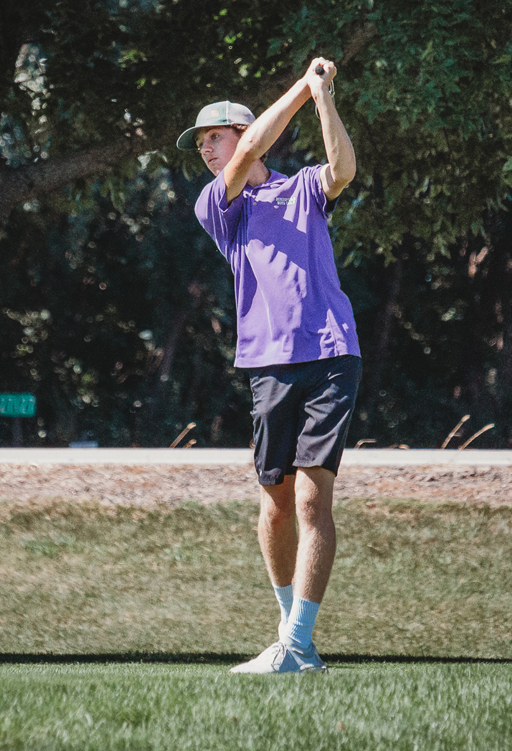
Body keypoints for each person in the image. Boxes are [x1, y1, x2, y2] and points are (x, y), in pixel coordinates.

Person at [177, 58, 361, 674]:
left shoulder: (303, 188)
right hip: (268, 364)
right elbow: (253, 148)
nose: (207, 151)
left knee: (311, 500)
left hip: (331, 353)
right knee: (276, 504)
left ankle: (299, 644)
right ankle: (289, 634)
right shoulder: (218, 203)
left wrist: (324, 98)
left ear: (241, 131)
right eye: (201, 145)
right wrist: (305, 87)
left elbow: (343, 170)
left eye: (215, 138)